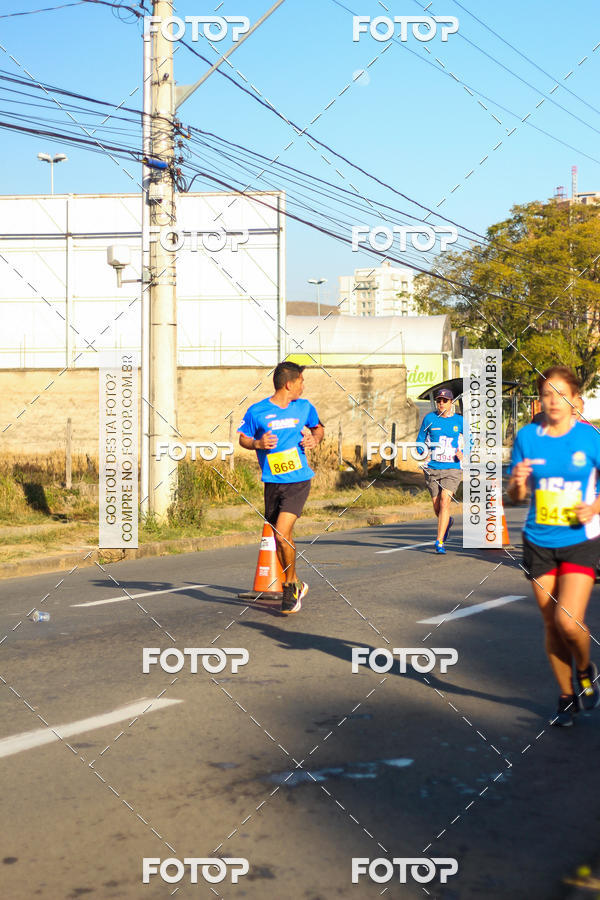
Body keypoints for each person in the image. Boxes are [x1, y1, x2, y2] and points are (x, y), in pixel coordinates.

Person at [508, 365, 600, 726]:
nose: (554, 401)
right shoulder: (528, 437)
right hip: (538, 541)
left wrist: (594, 506)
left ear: (574, 400)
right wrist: (516, 482)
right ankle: (565, 696)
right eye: (547, 394)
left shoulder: (589, 439)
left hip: (579, 538)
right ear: (540, 400)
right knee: (550, 623)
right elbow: (516, 496)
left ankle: (584, 667)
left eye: (561, 394)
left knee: (568, 621)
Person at [238, 362, 324, 614]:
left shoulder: (304, 407)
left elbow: (319, 429)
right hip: (273, 483)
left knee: (282, 533)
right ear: (289, 384)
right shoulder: (258, 411)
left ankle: (288, 586)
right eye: (301, 381)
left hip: (298, 480)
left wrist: (313, 439)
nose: (303, 386)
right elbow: (243, 438)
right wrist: (257, 442)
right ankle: (296, 582)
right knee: (279, 538)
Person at [416, 387, 464, 554]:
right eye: (439, 400)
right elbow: (420, 439)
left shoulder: (459, 421)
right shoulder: (429, 418)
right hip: (432, 468)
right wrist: (422, 451)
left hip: (453, 468)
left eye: (445, 400)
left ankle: (439, 541)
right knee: (437, 507)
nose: (441, 403)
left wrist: (462, 452)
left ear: (451, 403)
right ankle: (447, 522)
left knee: (445, 502)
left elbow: (471, 441)